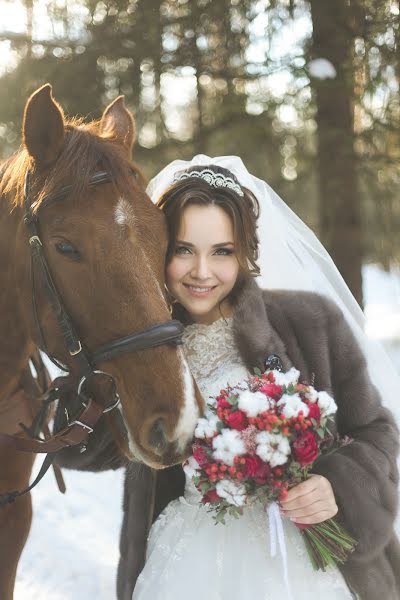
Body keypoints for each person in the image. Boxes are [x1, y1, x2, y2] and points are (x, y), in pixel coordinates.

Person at [120, 156, 400, 600]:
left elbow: (377, 430)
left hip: (300, 566)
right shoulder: (141, 348)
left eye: (222, 251)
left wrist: (336, 485)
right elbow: (101, 446)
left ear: (245, 251)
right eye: (183, 249)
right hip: (185, 561)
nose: (202, 271)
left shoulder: (309, 323)